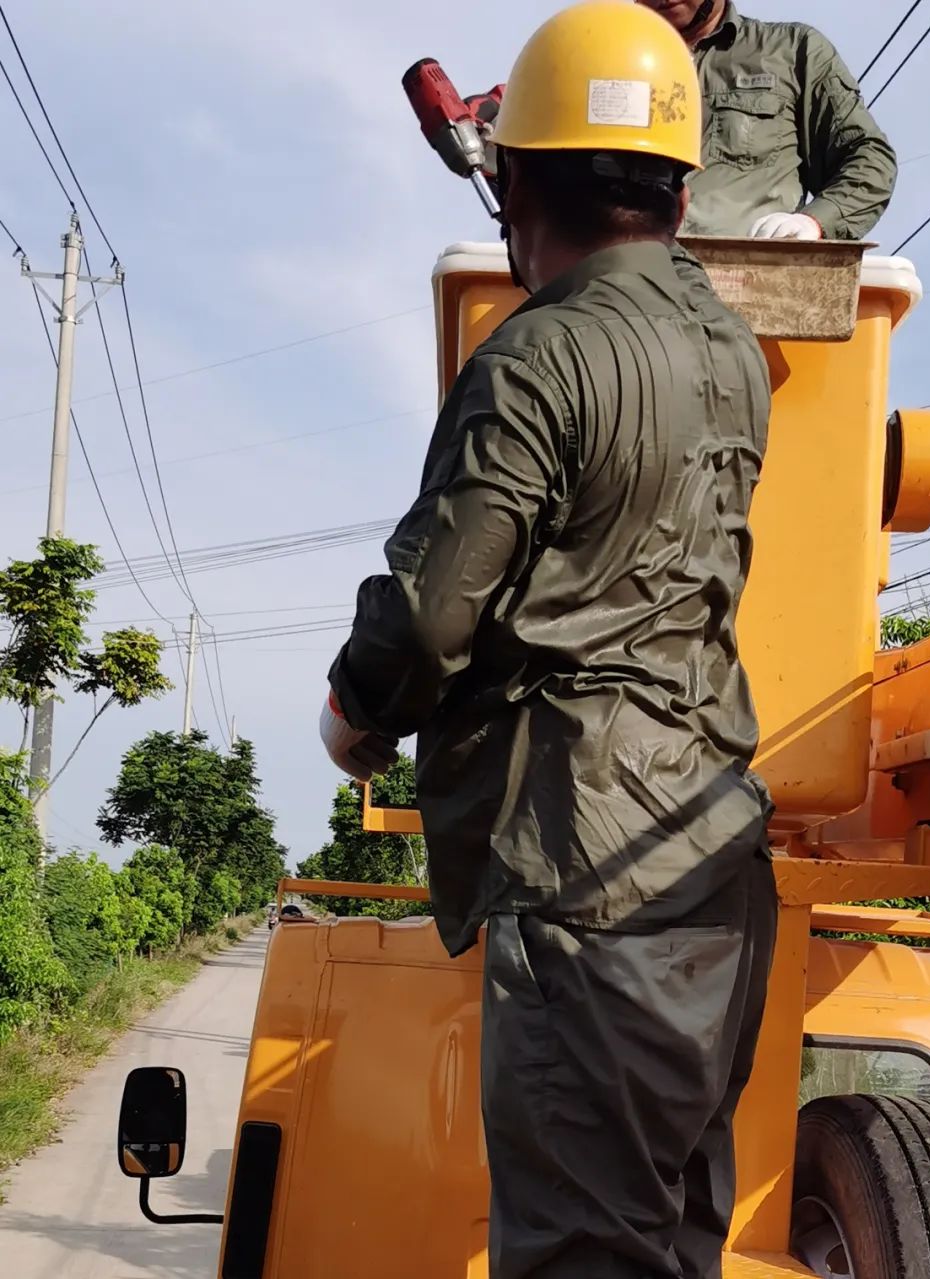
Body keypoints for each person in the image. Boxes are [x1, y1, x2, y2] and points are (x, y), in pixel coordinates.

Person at [321, 4, 777, 1275]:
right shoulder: (735, 358)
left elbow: (428, 610)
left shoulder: (539, 357)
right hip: (712, 857)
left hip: (586, 871)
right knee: (670, 1234)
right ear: (681, 193)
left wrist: (355, 709)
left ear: (516, 179)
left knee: (585, 1250)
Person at [637, 0, 897, 239]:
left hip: (749, 274)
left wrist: (814, 222)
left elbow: (869, 157)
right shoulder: (605, 59)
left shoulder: (792, 51)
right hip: (626, 272)